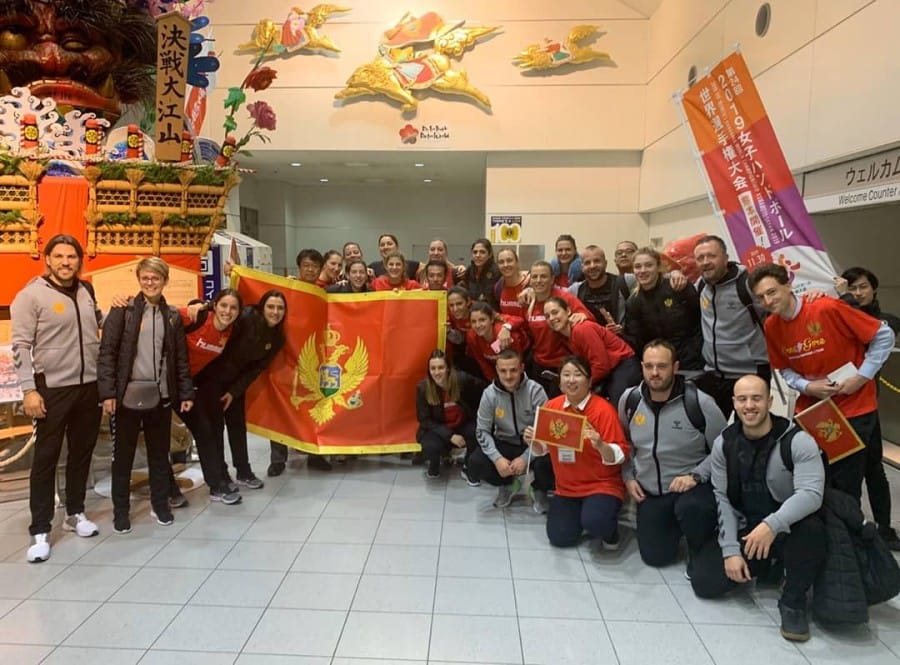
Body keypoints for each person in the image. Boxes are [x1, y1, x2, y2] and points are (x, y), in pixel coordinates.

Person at [694, 375, 826, 643]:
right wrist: (731, 550)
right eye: (742, 399)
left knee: (812, 529)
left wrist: (772, 525)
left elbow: (811, 494)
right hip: (748, 528)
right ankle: (767, 565)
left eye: (756, 398)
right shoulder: (724, 443)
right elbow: (722, 498)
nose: (749, 406)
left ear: (769, 401)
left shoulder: (797, 441)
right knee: (705, 583)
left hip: (787, 527)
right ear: (734, 403)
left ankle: (793, 601)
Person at [748, 263, 893, 504]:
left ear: (788, 286)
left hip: (854, 408)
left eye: (772, 292)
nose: (767, 301)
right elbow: (784, 369)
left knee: (847, 485)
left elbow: (884, 336)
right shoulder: (771, 326)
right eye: (761, 297)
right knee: (815, 481)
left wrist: (861, 377)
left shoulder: (825, 307)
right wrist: (807, 386)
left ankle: (856, 528)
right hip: (814, 412)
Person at [12, 235, 104, 563]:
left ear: (79, 261)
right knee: (46, 458)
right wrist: (29, 389)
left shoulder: (86, 290)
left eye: (72, 257)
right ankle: (40, 529)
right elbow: (21, 345)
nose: (66, 262)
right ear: (48, 260)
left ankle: (75, 513)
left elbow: (99, 324)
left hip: (89, 387)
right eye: (60, 256)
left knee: (81, 453)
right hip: (51, 389)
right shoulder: (31, 295)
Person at [97, 257, 194, 533]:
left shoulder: (172, 316)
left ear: (165, 281)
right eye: (146, 278)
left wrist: (185, 392)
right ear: (139, 279)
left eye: (156, 278)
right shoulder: (123, 311)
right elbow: (107, 354)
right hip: (126, 398)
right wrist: (108, 393)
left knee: (159, 456)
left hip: (160, 398)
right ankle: (121, 512)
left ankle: (160, 505)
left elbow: (180, 359)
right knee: (123, 458)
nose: (150, 283)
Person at [618, 340, 726, 571]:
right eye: (649, 366)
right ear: (642, 367)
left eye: (662, 366)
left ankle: (701, 544)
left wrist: (696, 476)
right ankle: (673, 528)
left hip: (690, 487)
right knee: (655, 558)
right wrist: (628, 477)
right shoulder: (630, 400)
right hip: (651, 492)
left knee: (692, 509)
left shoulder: (699, 403)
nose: (655, 373)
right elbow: (624, 443)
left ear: (675, 367)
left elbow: (724, 449)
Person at [526, 356, 629, 548]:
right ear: (560, 381)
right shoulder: (552, 407)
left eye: (577, 375)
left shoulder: (603, 410)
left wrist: (601, 445)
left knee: (596, 522)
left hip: (601, 486)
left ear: (589, 381)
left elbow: (620, 455)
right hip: (567, 489)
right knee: (559, 537)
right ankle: (584, 516)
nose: (571, 380)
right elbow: (542, 450)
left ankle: (610, 532)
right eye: (566, 375)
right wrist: (533, 442)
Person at [835, 266, 899, 548]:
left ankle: (884, 528)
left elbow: (867, 334)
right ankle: (848, 525)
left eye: (862, 287)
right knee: (843, 471)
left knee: (873, 469)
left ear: (874, 289)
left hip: (867, 408)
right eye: (852, 288)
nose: (858, 293)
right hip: (836, 405)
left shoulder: (886, 322)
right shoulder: (837, 317)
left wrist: (845, 300)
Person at [199, 290, 287, 491]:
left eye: (280, 308)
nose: (275, 312)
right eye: (270, 307)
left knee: (237, 427)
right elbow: (220, 313)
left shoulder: (277, 338)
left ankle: (244, 471)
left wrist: (234, 391)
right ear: (262, 307)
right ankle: (220, 474)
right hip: (211, 377)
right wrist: (200, 305)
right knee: (215, 429)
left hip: (235, 383)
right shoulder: (246, 317)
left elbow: (256, 369)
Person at [175, 288, 243, 505]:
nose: (227, 311)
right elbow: (161, 312)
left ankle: (217, 483)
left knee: (209, 430)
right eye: (223, 305)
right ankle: (213, 485)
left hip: (190, 384)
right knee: (201, 431)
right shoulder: (196, 317)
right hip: (169, 381)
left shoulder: (230, 331)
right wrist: (126, 301)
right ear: (214, 305)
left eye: (233, 308)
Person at [692, 235, 770, 417]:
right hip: (713, 374)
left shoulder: (748, 284)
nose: (705, 262)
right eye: (700, 258)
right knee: (711, 427)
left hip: (749, 373)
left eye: (711, 256)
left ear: (726, 258)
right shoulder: (701, 285)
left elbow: (779, 306)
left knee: (751, 427)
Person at [271, 248, 333, 473]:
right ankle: (277, 459)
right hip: (286, 357)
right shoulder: (287, 290)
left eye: (315, 266)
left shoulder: (324, 294)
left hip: (314, 361)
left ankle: (315, 455)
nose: (310, 270)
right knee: (280, 407)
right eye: (306, 265)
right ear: (299, 267)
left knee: (314, 409)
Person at [468, 349, 553, 511]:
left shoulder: (536, 391)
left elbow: (546, 432)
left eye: (513, 370)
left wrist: (526, 458)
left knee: (549, 462)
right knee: (475, 463)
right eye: (503, 371)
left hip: (532, 444)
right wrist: (497, 459)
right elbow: (482, 431)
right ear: (497, 370)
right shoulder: (489, 395)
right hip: (505, 442)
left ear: (522, 368)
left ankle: (539, 489)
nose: (508, 376)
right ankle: (508, 484)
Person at [543, 296, 639, 404]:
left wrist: (579, 382)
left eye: (555, 312)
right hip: (608, 371)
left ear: (568, 311)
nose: (551, 318)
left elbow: (601, 366)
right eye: (547, 316)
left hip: (624, 365)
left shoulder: (581, 329)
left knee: (616, 404)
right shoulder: (563, 337)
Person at [623, 246, 704, 372]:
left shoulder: (678, 286)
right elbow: (637, 340)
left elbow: (700, 320)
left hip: (691, 362)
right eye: (638, 266)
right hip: (659, 367)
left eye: (649, 265)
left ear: (658, 267)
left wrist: (694, 352)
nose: (642, 270)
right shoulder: (633, 302)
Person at [521, 261, 595, 396]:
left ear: (552, 279)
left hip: (563, 364)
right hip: (539, 363)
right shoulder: (528, 300)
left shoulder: (564, 298)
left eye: (543, 276)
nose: (538, 280)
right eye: (535, 277)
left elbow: (588, 318)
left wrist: (581, 316)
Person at [416, 350, 486, 482]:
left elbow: (485, 390)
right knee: (431, 445)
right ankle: (435, 463)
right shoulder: (423, 388)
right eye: (433, 368)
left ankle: (469, 466)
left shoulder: (462, 379)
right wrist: (450, 436)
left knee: (477, 432)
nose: (437, 372)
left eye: (441, 367)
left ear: (448, 368)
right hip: (438, 427)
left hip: (462, 423)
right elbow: (424, 420)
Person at [566, 245, 625, 333]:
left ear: (605, 263)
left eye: (597, 261)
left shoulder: (624, 282)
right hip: (590, 339)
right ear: (582, 267)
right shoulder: (574, 290)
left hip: (619, 340)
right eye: (587, 263)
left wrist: (623, 329)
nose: (592, 266)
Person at [466, 302, 529, 381]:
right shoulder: (471, 336)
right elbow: (482, 362)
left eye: (482, 320)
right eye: (473, 321)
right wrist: (494, 381)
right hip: (497, 368)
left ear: (491, 319)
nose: (478, 325)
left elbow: (517, 363)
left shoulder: (505, 335)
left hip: (522, 360)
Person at [460, 238, 501, 309]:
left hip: (489, 310)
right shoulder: (470, 269)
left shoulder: (496, 271)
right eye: (475, 252)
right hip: (472, 310)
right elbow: (463, 290)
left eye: (482, 252)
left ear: (490, 254)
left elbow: (488, 297)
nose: (478, 255)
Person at [495, 247, 531, 317]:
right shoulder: (498, 287)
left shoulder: (530, 283)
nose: (505, 265)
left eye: (509, 261)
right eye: (501, 262)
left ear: (517, 262)